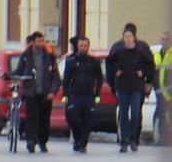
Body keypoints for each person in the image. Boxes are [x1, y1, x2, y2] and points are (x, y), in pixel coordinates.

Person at [104, 21, 155, 153]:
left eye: (130, 35)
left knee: (136, 113)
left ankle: (134, 139)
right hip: (122, 86)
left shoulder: (141, 48)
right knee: (123, 113)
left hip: (137, 86)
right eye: (125, 35)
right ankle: (124, 140)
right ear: (123, 36)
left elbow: (150, 64)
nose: (127, 38)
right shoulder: (117, 48)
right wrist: (113, 78)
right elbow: (109, 62)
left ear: (134, 36)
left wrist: (146, 77)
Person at [11, 31, 58, 152]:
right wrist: (10, 76)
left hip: (45, 92)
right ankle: (30, 141)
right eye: (39, 41)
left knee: (44, 118)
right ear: (33, 42)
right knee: (31, 118)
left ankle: (43, 141)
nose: (41, 43)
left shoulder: (49, 56)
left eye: (43, 41)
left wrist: (53, 91)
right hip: (30, 92)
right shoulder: (26, 55)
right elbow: (20, 70)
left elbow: (55, 76)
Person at [60, 35, 104, 153]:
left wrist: (97, 93)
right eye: (81, 46)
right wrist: (66, 94)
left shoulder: (94, 62)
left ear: (88, 47)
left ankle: (82, 142)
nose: (83, 48)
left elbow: (99, 78)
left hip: (89, 95)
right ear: (77, 47)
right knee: (73, 117)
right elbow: (66, 79)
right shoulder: (71, 61)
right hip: (74, 95)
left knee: (88, 120)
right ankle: (77, 137)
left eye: (85, 46)